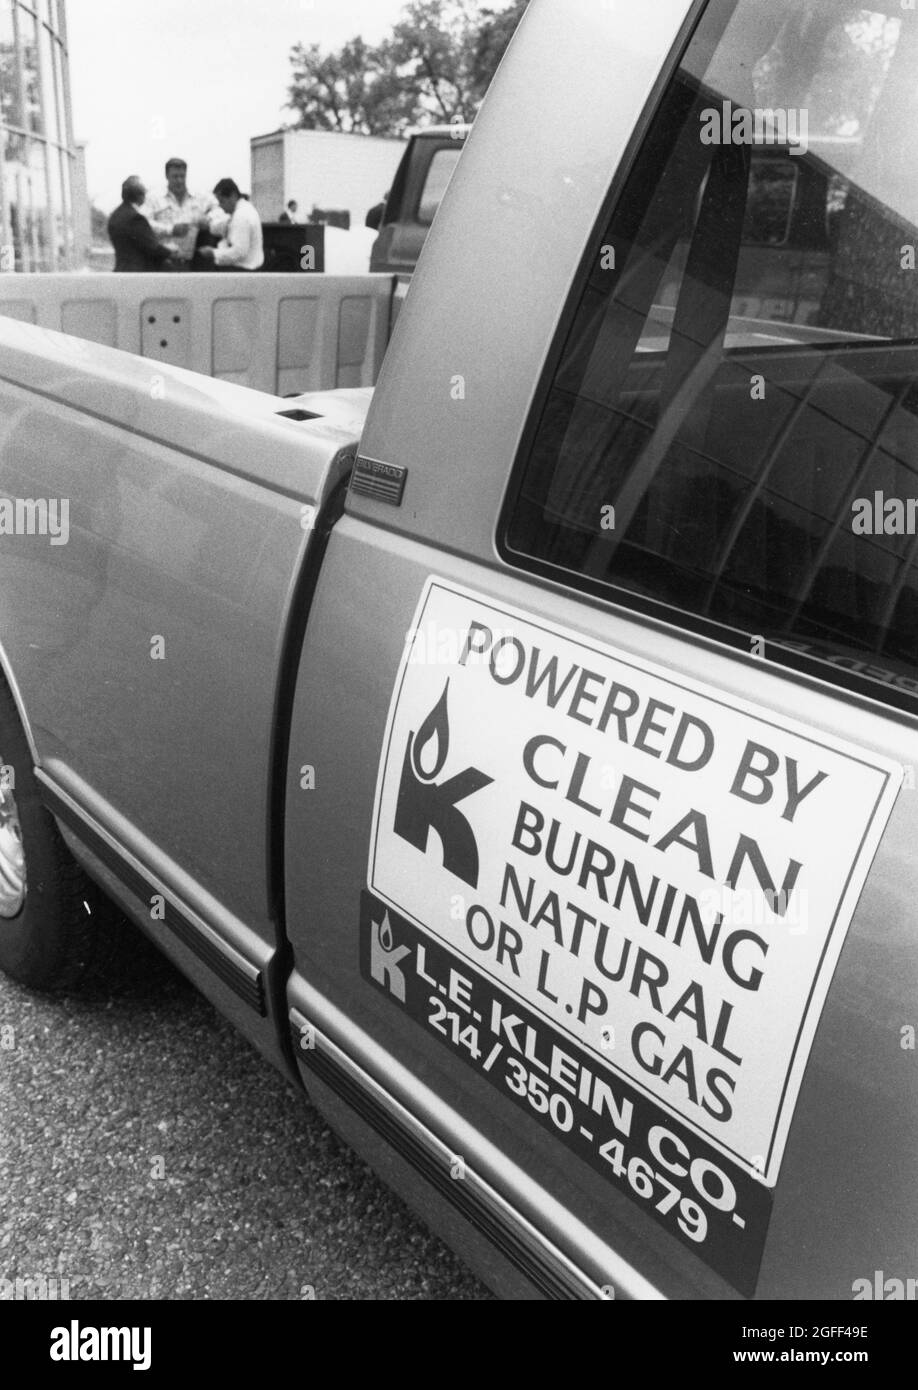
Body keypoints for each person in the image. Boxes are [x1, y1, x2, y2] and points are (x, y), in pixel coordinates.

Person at [148, 158, 226, 270]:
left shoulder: (200, 197)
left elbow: (220, 210)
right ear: (167, 176)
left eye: (182, 176)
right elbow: (144, 224)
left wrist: (208, 219)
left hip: (187, 263)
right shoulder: (154, 198)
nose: (179, 180)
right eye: (175, 177)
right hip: (161, 263)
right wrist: (170, 229)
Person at [108, 177, 174, 272]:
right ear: (140, 196)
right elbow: (153, 248)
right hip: (138, 273)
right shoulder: (136, 218)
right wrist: (171, 251)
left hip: (120, 271)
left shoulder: (115, 215)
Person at [198, 179, 264, 271]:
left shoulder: (241, 216)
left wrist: (213, 253)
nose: (220, 206)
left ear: (233, 196)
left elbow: (239, 252)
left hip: (242, 271)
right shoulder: (243, 210)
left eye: (222, 201)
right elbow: (225, 225)